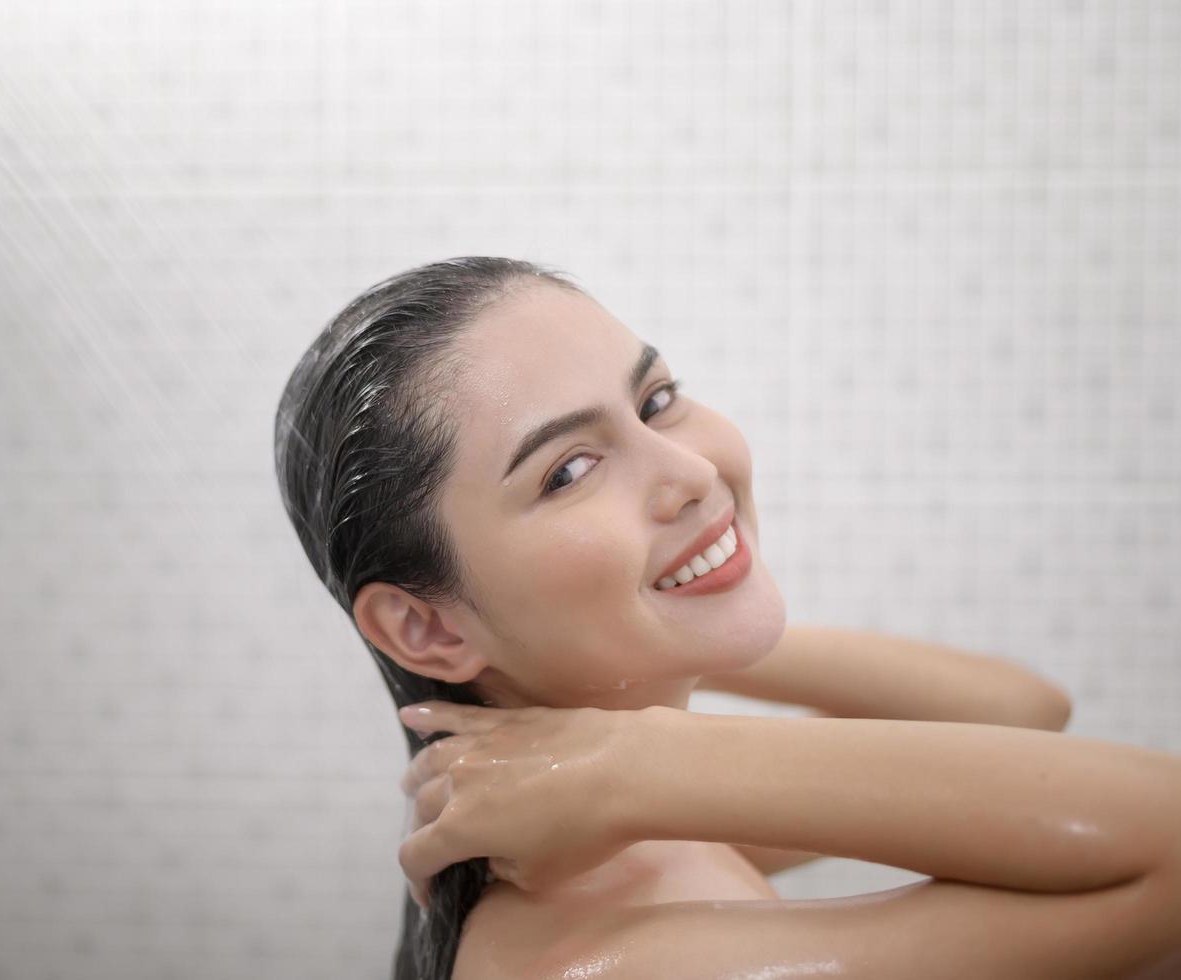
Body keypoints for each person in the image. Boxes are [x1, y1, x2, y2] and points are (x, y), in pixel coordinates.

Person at [271, 257, 1181, 980]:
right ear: (426, 628)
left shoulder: (601, 830)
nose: (691, 472)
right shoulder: (603, 953)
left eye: (655, 401)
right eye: (567, 471)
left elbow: (1015, 714)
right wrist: (638, 755)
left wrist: (664, 654)